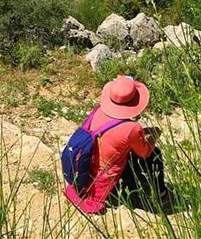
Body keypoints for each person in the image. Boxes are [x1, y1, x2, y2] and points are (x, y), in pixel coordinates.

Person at [64, 75, 168, 214]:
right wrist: (154, 135)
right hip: (106, 178)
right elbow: (144, 152)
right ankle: (161, 195)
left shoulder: (98, 111)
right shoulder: (132, 128)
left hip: (87, 168)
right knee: (154, 154)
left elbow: (114, 136)